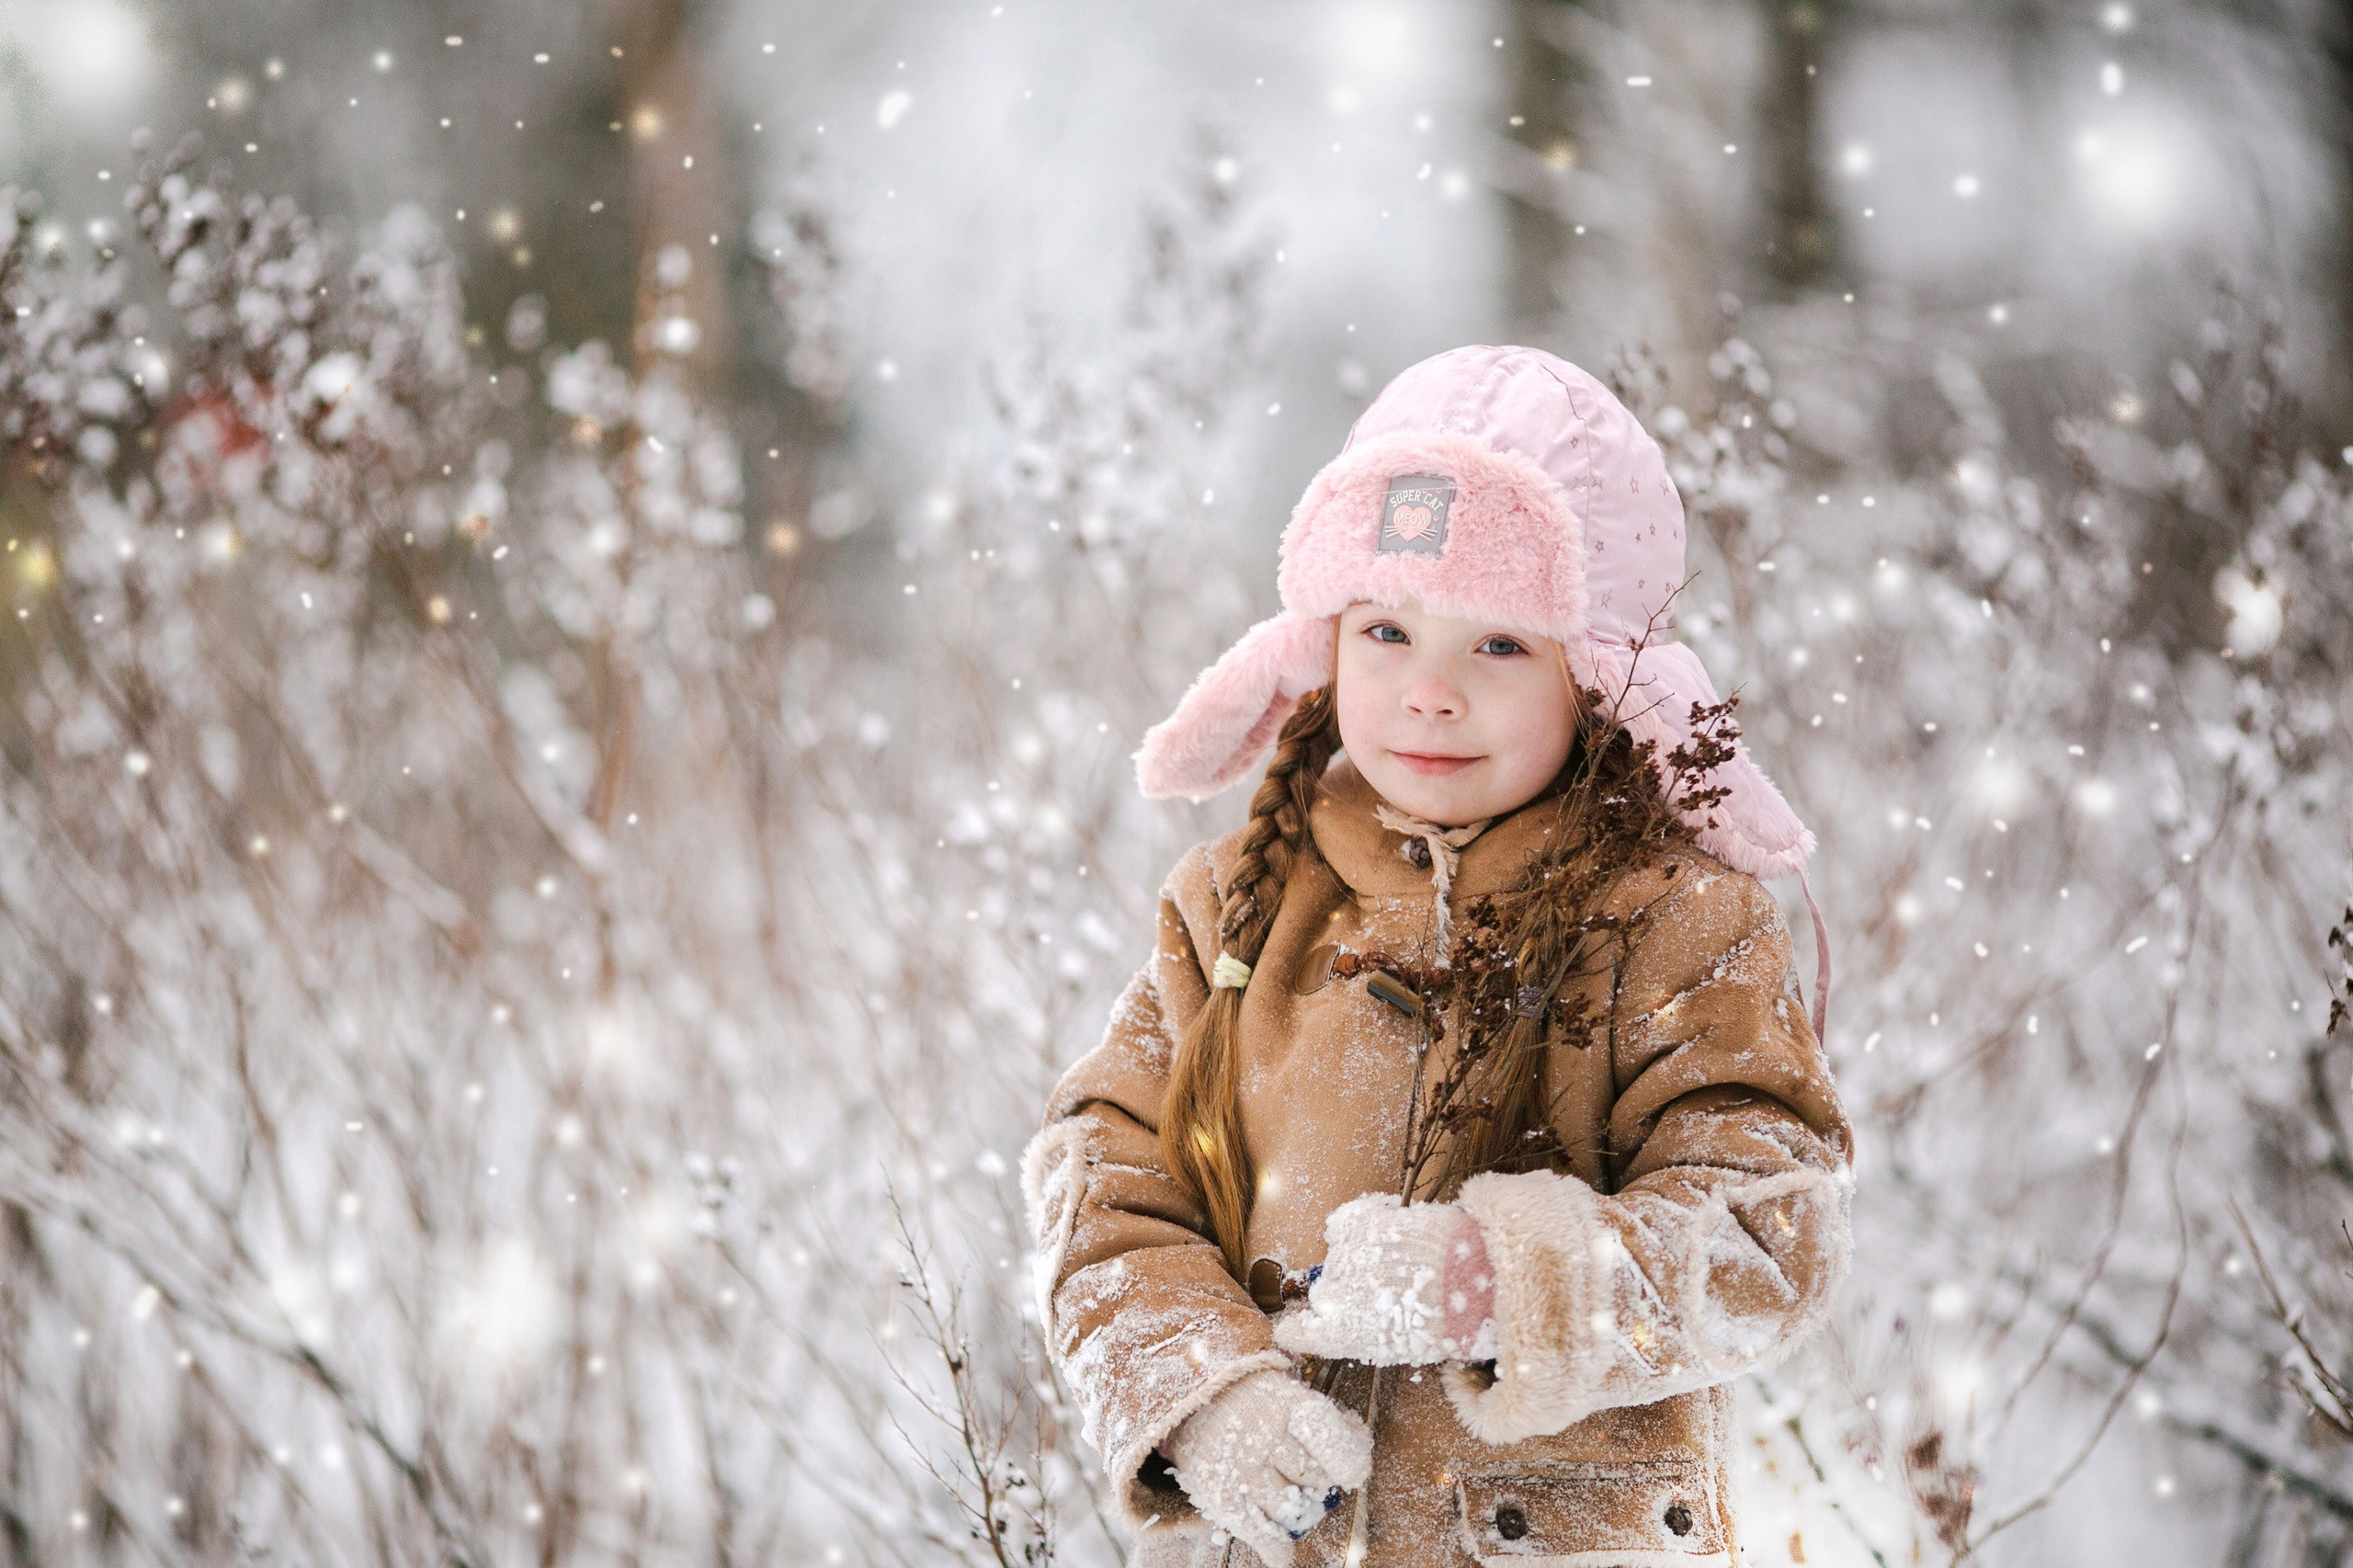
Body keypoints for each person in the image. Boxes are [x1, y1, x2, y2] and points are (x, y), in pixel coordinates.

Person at [1020, 346, 1852, 1567]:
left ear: (1606, 671)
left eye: (1500, 645)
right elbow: (1100, 1179)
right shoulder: (1232, 911)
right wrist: (1203, 1395)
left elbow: (1768, 1227)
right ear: (1322, 646)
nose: (1429, 693)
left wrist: (1506, 1281)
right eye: (1390, 630)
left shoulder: (1678, 923)